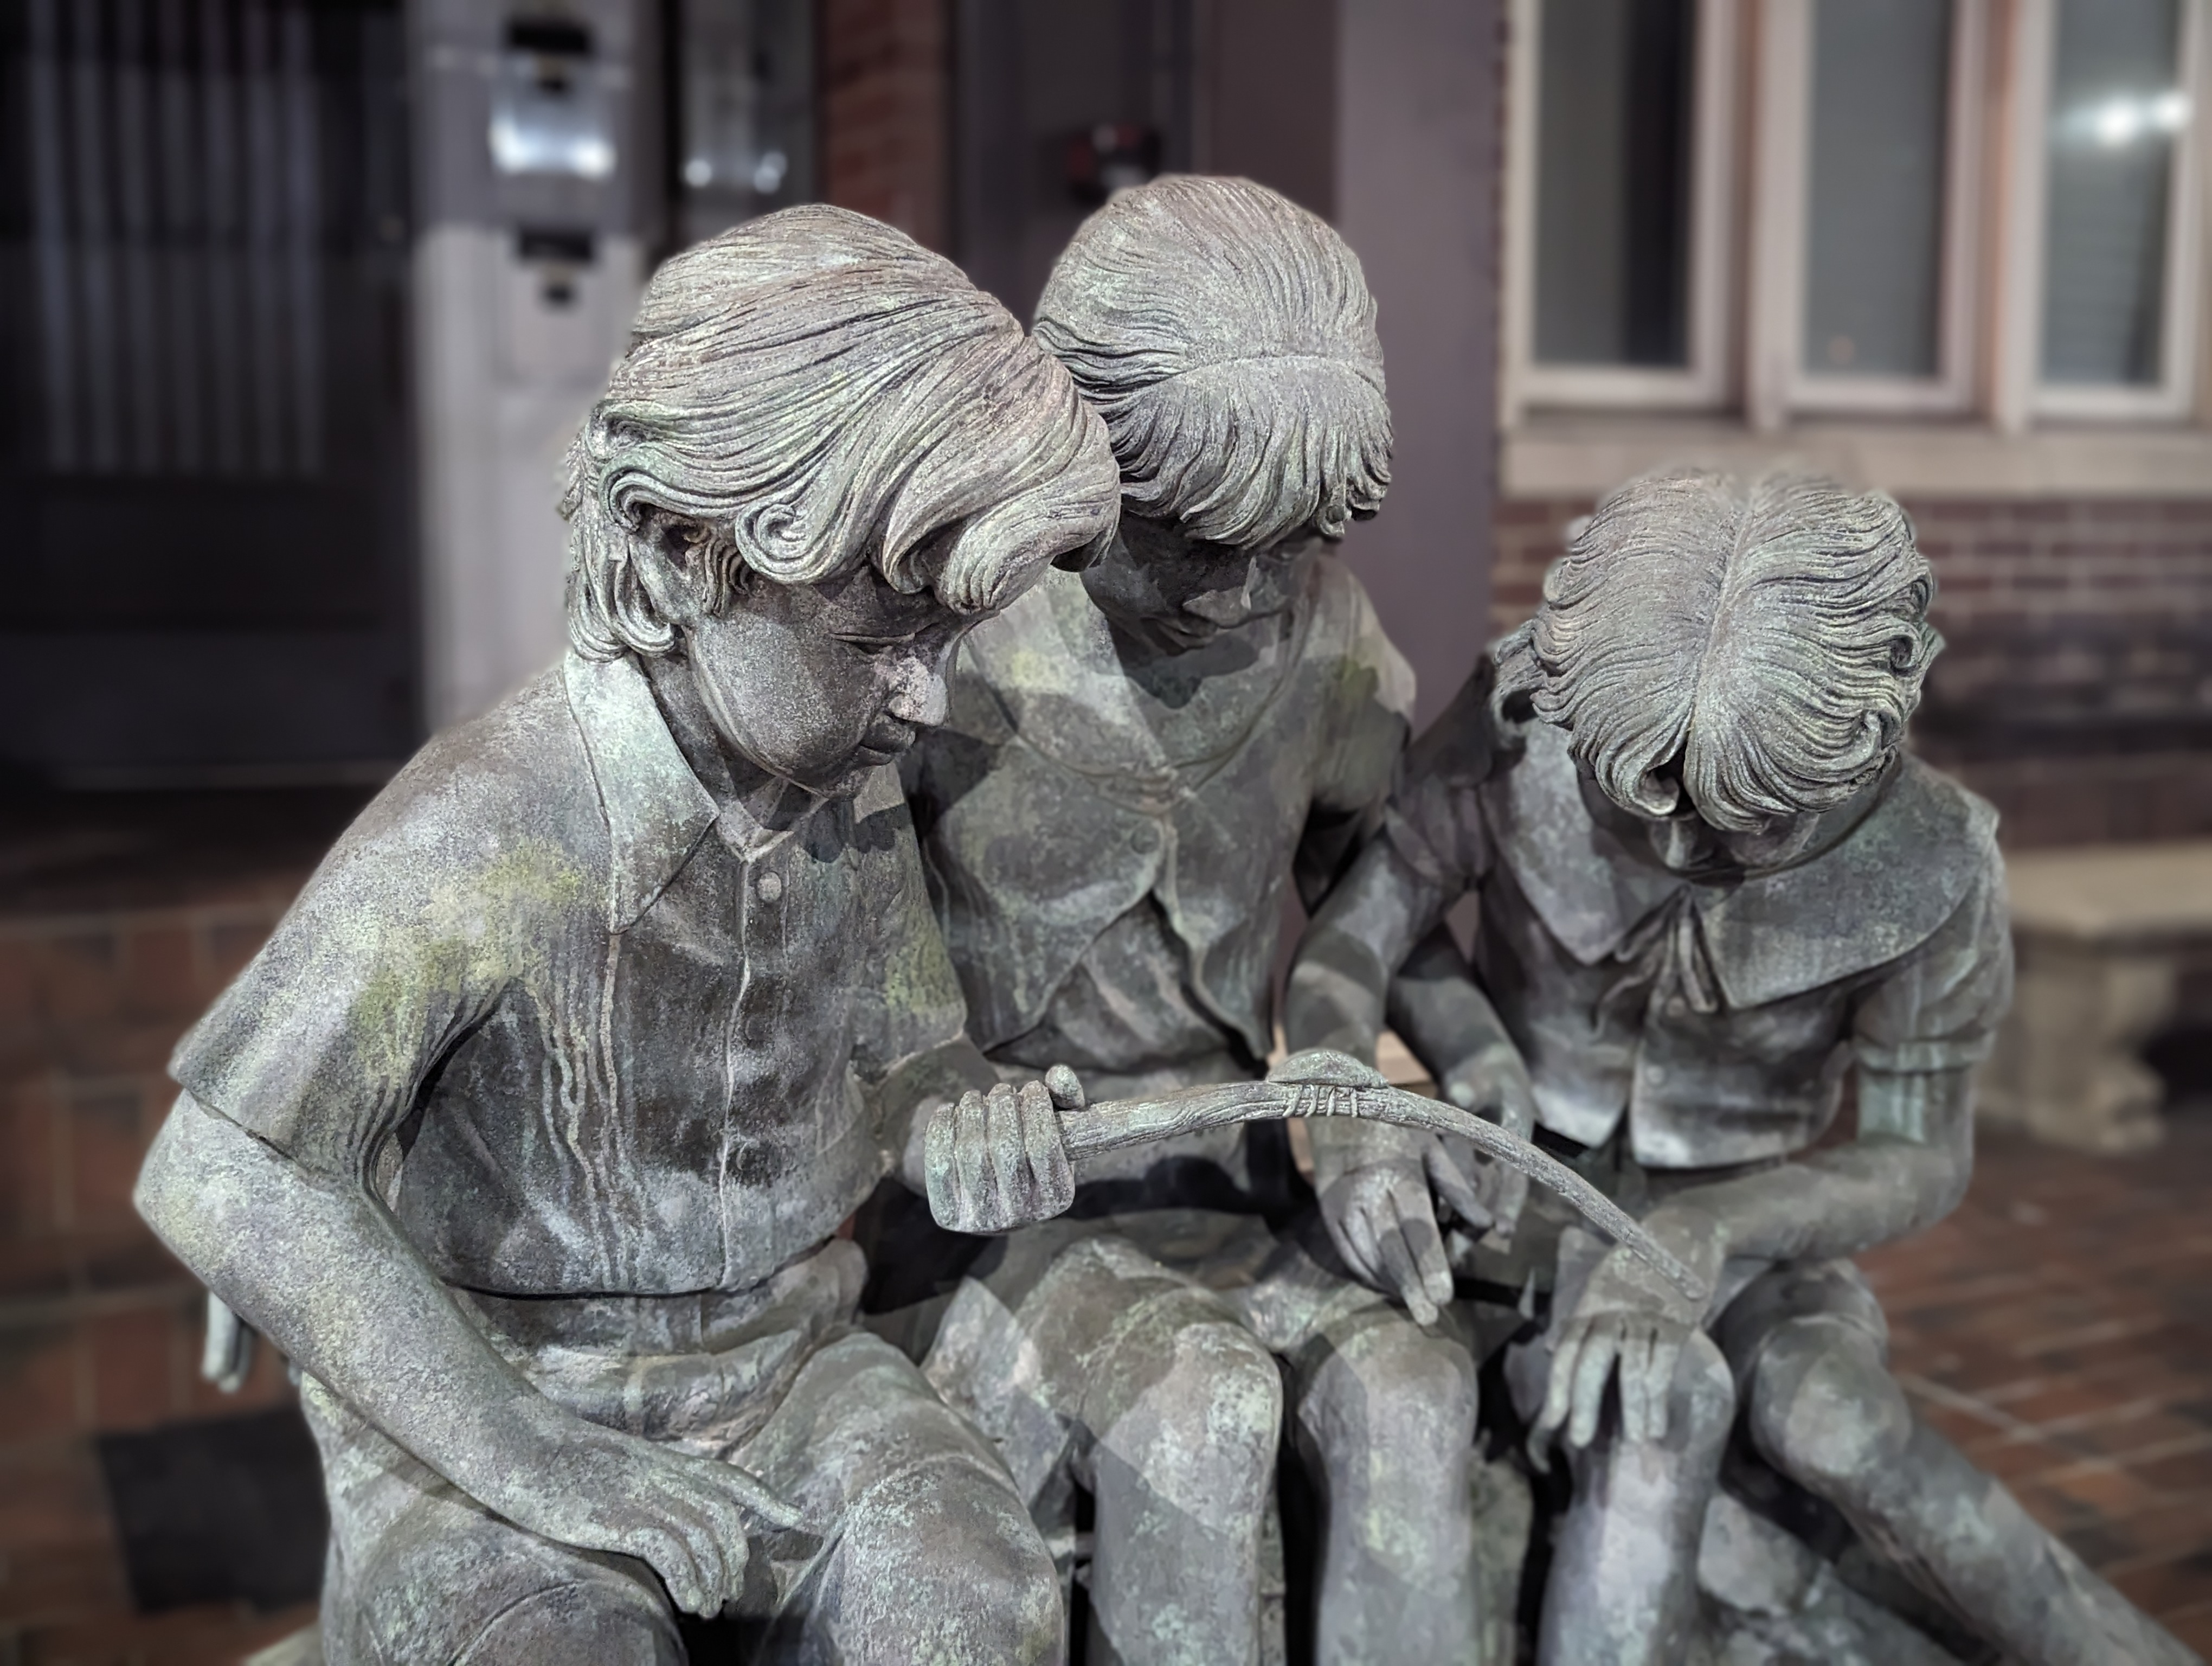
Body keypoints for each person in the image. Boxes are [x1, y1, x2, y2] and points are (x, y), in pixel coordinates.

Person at [132, 206, 1122, 1666]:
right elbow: (225, 1167)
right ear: (680, 550)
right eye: (881, 645)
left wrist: (955, 1106)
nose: (924, 703)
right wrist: (525, 1450)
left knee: (977, 1607)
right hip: (504, 1396)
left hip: (789, 1373)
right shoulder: (488, 829)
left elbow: (914, 1053)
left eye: (945, 645)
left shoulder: (844, 790)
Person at [1283, 466, 2198, 1665]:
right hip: (1501, 1202)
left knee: (1838, 1422)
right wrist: (1408, 1075)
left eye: (1748, 827)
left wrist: (1714, 1230)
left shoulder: (1934, 861)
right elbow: (1359, 936)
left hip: (1751, 1230)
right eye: (1638, 806)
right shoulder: (1528, 721)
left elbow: (1920, 1157)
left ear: (1865, 746)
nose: (1678, 850)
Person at [896, 175, 1499, 1664]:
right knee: (1201, 1404)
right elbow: (821, 969)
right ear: (1071, 453)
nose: (1237, 600)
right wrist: (934, 1087)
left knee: (1416, 1396)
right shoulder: (938, 649)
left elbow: (1385, 888)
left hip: (1235, 1194)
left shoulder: (1329, 640)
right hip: (997, 1224)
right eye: (1189, 538)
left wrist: (1422, 1076)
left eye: (1283, 547)